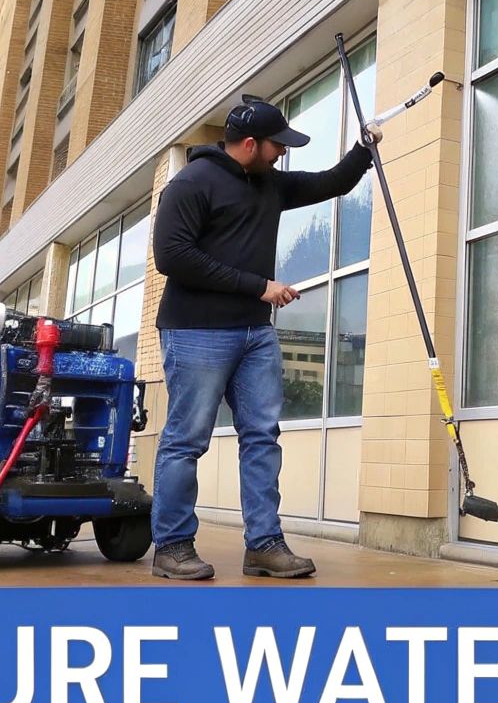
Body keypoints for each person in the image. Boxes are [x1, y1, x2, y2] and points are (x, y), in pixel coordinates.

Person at [149, 97, 380, 581]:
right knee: (185, 441)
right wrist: (259, 286)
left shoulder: (268, 183)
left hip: (255, 334)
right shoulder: (190, 185)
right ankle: (172, 546)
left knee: (262, 437)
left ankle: (264, 544)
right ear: (251, 144)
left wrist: (363, 148)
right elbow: (173, 257)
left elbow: (330, 183)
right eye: (278, 146)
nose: (283, 154)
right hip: (196, 332)